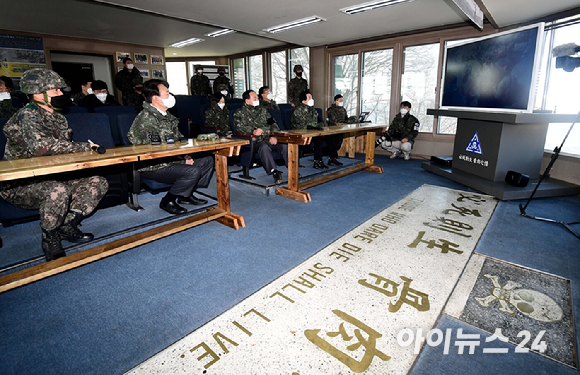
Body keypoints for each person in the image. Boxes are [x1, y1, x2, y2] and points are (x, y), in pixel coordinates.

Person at [0, 68, 109, 261]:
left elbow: (63, 149)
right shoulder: (26, 116)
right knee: (56, 190)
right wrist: (85, 147)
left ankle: (67, 225)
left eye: (61, 90)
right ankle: (50, 237)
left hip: (52, 176)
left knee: (97, 182)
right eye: (55, 90)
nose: (61, 93)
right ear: (37, 93)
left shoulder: (58, 118)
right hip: (22, 183)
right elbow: (43, 147)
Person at [128, 79, 214, 215]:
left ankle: (185, 194)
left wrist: (186, 155)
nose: (171, 96)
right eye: (167, 93)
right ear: (156, 98)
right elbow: (155, 151)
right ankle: (168, 200)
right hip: (153, 166)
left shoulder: (167, 117)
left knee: (207, 160)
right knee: (192, 171)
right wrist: (182, 161)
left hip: (170, 160)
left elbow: (179, 141)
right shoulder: (146, 119)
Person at [234, 89, 288, 184]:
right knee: (264, 147)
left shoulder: (263, 110)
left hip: (267, 138)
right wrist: (253, 131)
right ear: (247, 101)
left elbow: (273, 124)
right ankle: (274, 172)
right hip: (254, 141)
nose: (257, 99)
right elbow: (239, 128)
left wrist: (274, 135)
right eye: (254, 97)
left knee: (284, 146)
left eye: (257, 97)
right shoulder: (239, 113)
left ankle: (292, 168)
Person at [291, 91, 342, 170]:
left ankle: (332, 159)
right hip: (302, 132)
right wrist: (314, 128)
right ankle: (317, 162)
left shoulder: (313, 110)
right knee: (318, 138)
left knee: (330, 136)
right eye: (309, 98)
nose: (312, 100)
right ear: (303, 101)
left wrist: (320, 128)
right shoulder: (298, 111)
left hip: (314, 131)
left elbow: (320, 122)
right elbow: (301, 126)